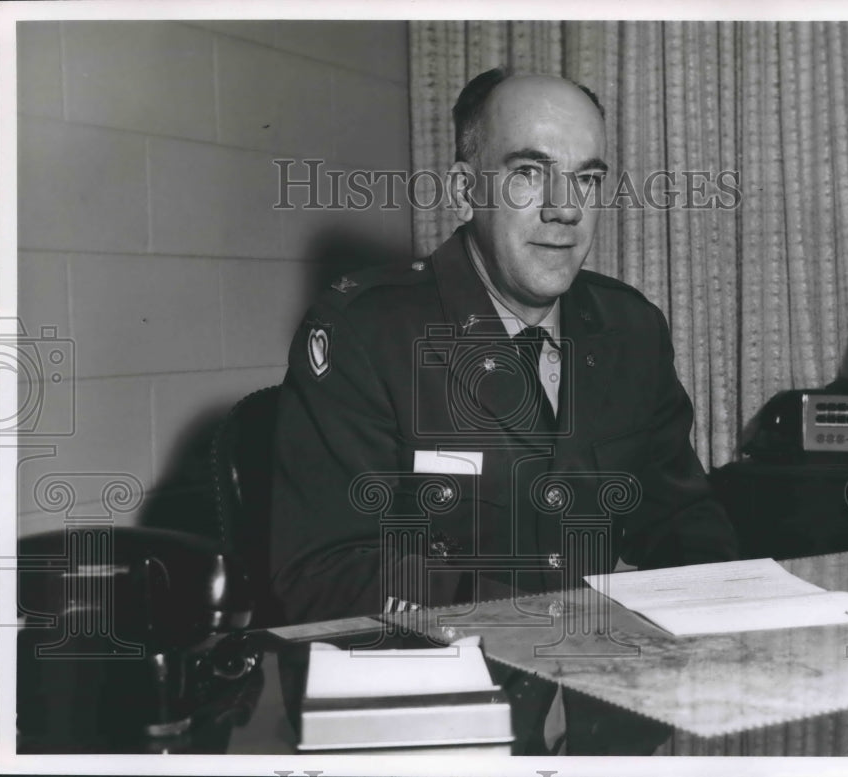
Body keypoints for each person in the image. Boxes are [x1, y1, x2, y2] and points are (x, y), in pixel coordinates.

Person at [270, 68, 737, 627]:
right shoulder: (367, 334)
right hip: (447, 686)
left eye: (586, 180)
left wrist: (732, 613)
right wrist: (545, 619)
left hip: (595, 685)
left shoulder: (630, 328)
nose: (566, 209)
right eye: (529, 175)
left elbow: (681, 519)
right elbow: (322, 573)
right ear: (466, 192)